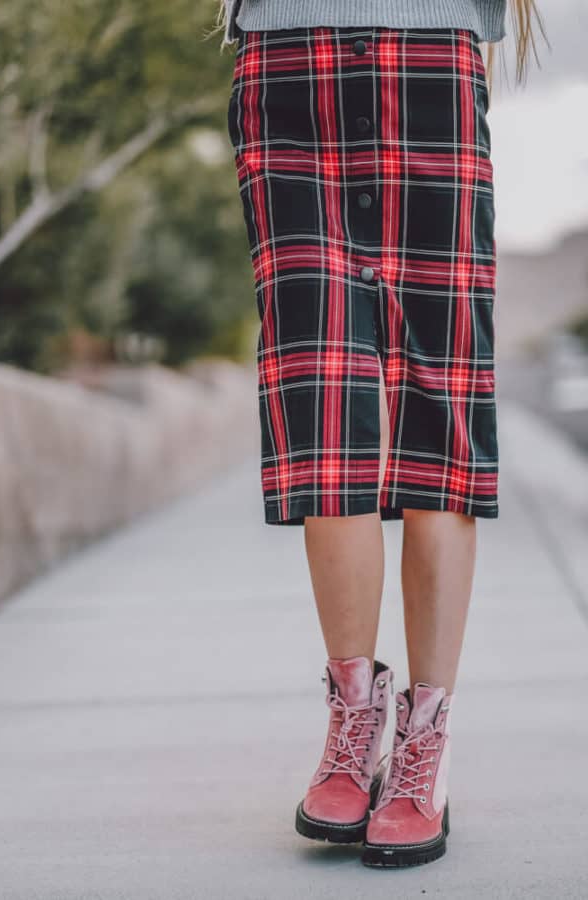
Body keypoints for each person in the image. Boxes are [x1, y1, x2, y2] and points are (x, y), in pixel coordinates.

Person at [216, 0, 546, 869]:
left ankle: (424, 747)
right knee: (324, 406)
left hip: (432, 57)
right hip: (286, 67)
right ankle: (354, 721)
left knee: (440, 405)